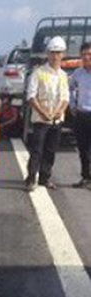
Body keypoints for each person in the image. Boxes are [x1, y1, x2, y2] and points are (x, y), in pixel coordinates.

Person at [24, 36, 70, 191]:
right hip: (40, 120)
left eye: (58, 52)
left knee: (50, 151)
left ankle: (45, 178)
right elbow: (31, 96)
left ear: (63, 54)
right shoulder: (38, 73)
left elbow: (65, 98)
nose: (55, 56)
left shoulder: (63, 75)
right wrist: (43, 113)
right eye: (52, 52)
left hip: (57, 120)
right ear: (48, 53)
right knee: (37, 150)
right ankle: (31, 178)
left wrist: (59, 112)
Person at [70, 42, 91, 188]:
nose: (86, 57)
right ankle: (85, 177)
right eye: (84, 54)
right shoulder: (78, 73)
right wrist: (72, 105)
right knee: (83, 148)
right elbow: (70, 88)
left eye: (89, 54)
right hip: (82, 114)